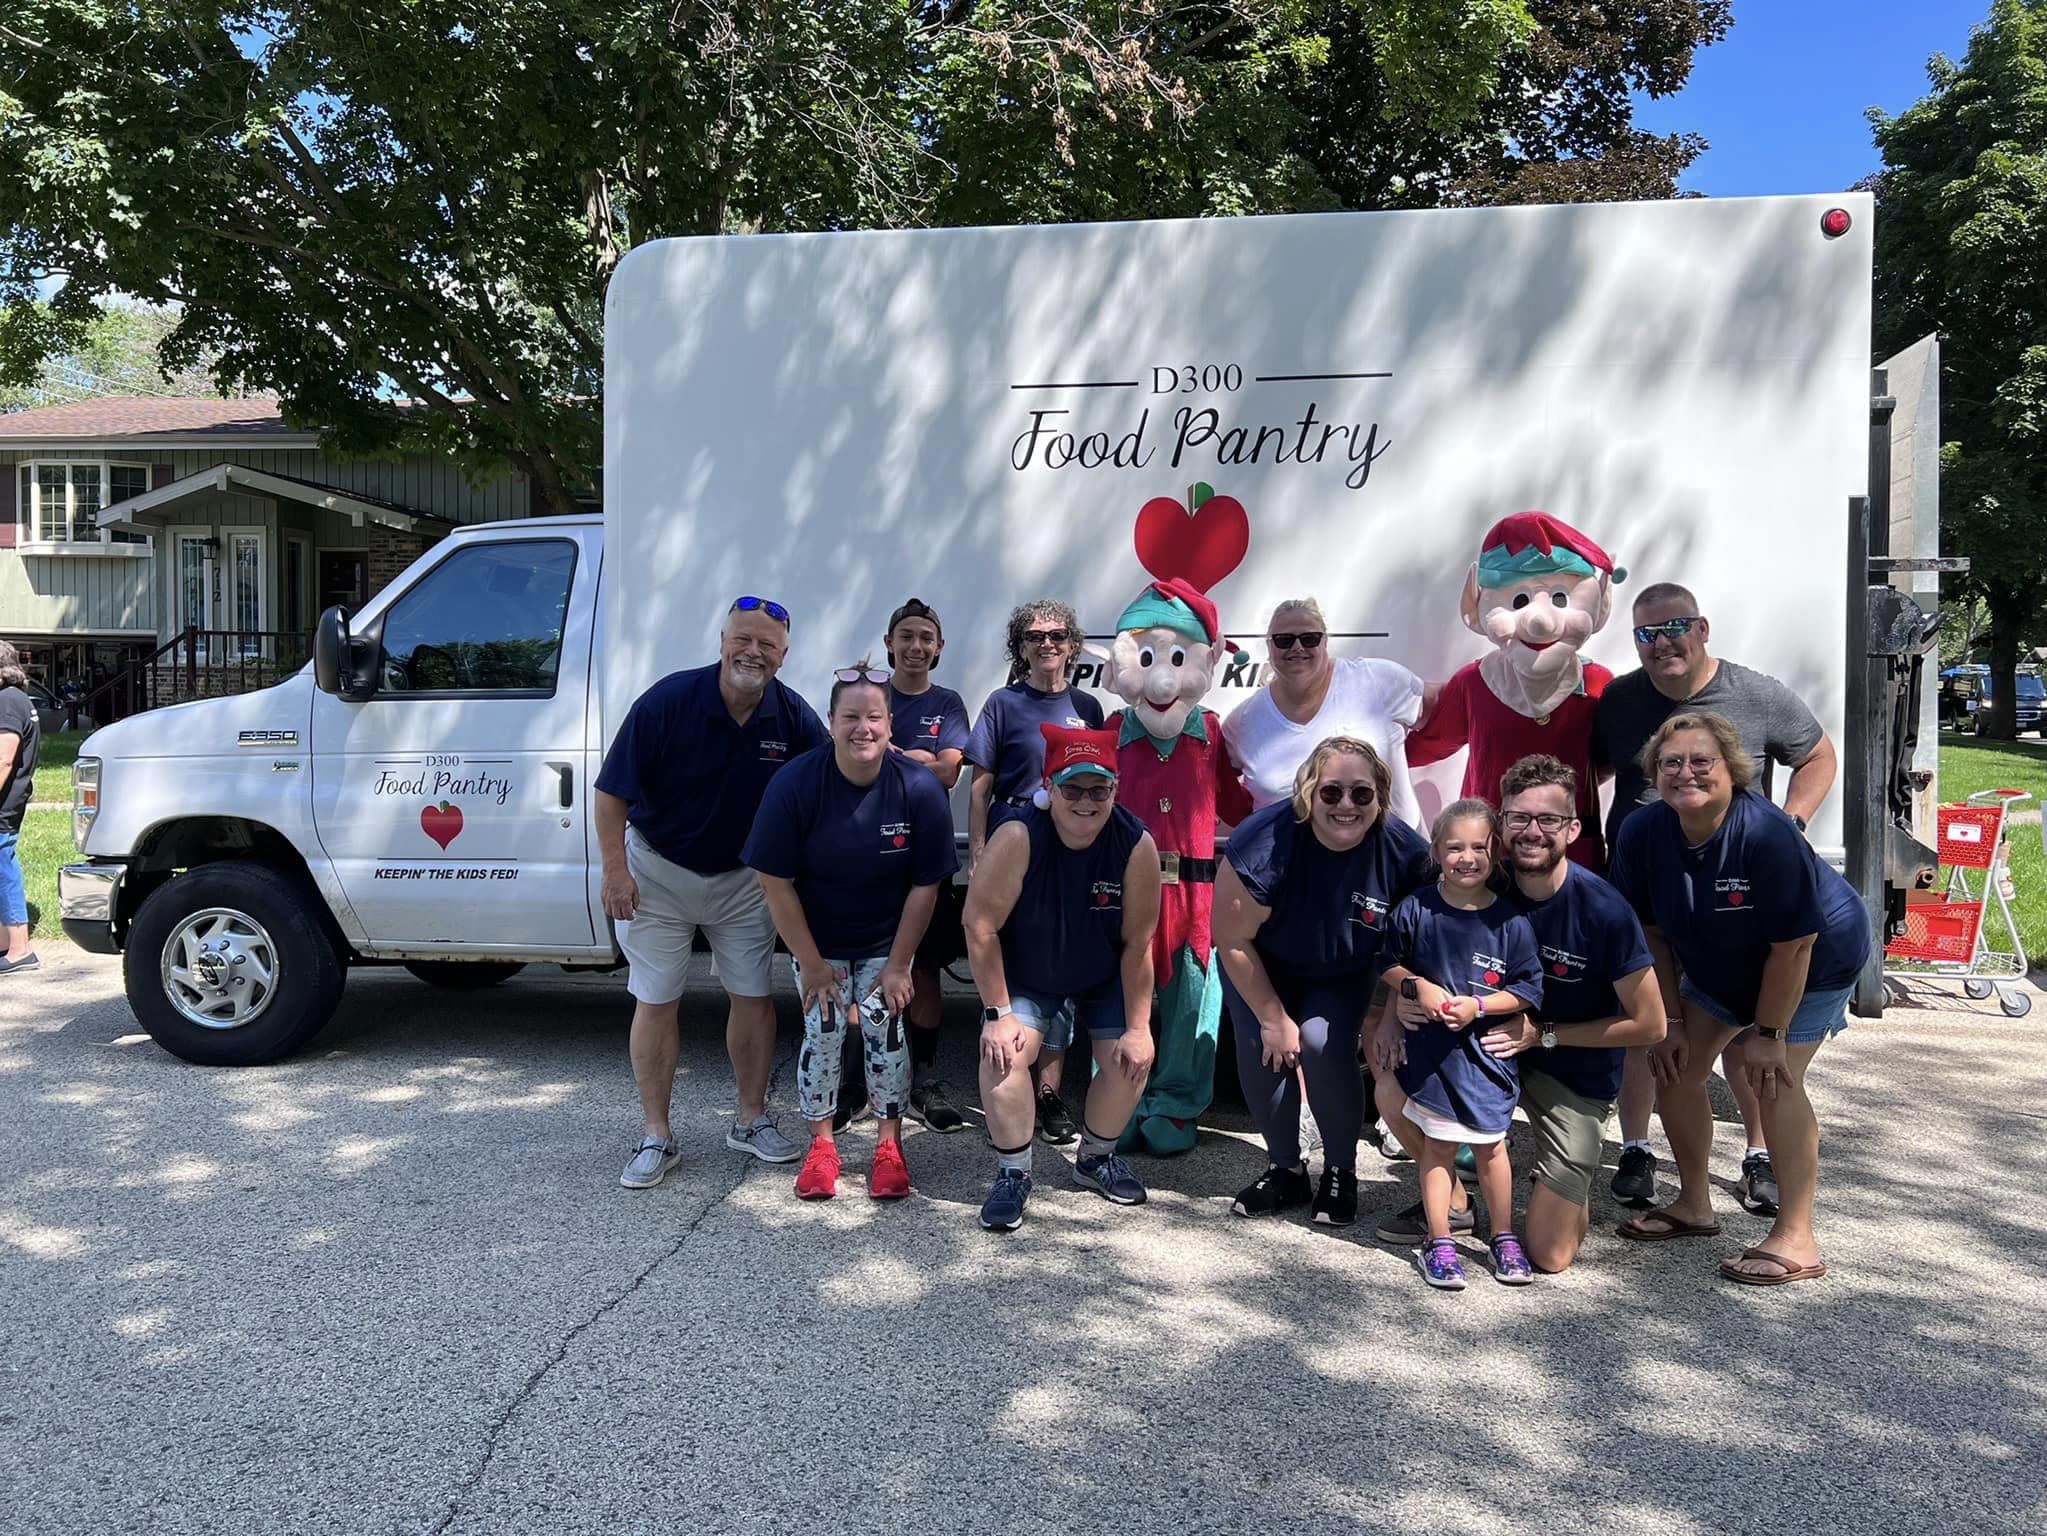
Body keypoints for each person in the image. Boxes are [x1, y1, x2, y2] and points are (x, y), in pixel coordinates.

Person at [1595, 582, 1839, 1215]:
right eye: (1646, 634)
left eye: (1674, 627)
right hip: (1667, 896)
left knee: (1762, 1054)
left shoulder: (1755, 695)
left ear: (1702, 629)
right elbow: (1589, 766)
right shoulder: (1620, 701)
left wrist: (1795, 822)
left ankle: (1764, 1167)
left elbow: (1817, 754)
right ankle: (1644, 1154)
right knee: (1662, 1033)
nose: (1662, 643)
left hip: (1758, 913)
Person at [1374, 756, 1664, 1273]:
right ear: (1501, 826)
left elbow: (1650, 1025)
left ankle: (1559, 1186)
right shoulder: (1478, 880)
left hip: (1569, 1069)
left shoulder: (1603, 910)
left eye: (1548, 820)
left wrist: (1543, 1035)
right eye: (1519, 818)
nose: (1532, 832)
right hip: (1476, 1051)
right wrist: (1401, 1004)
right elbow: (1407, 954)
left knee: (1550, 1255)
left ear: (1573, 829)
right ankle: (1455, 1205)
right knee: (1388, 1081)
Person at [1608, 711, 1869, 1286]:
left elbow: (1795, 948)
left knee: (1769, 1079)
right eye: (1671, 762)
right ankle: (1694, 1206)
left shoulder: (1765, 831)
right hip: (1720, 960)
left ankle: (1797, 1237)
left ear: (1733, 770)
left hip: (1814, 957)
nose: (1686, 773)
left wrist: (1770, 1036)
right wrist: (1670, 1019)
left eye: (1702, 761)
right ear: (1654, 772)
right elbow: (1649, 933)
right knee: (1675, 1066)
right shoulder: (1642, 831)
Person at [597, 595, 827, 1189]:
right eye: (742, 639)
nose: (753, 652)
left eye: (767, 645)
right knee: (656, 999)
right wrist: (615, 871)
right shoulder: (668, 701)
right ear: (722, 641)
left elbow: (832, 782)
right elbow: (612, 792)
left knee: (752, 997)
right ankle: (657, 1136)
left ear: (783, 656)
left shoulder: (793, 716)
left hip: (743, 881)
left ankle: (749, 1122)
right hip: (658, 874)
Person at [744, 662, 958, 1200]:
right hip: (819, 940)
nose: (862, 728)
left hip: (888, 942)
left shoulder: (917, 787)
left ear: (890, 724)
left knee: (886, 1033)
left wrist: (900, 964)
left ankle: (889, 1147)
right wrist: (812, 964)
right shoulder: (796, 782)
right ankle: (822, 1146)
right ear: (833, 721)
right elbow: (774, 881)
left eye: (874, 717)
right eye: (850, 717)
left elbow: (925, 885)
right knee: (824, 1031)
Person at [1213, 737, 1432, 1227]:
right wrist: (1272, 1019)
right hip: (1262, 963)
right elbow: (1231, 940)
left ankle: (1340, 1170)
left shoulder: (1405, 854)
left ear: (1381, 798)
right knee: (1262, 1049)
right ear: (1308, 794)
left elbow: (1417, 948)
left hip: (1345, 970)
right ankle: (1286, 1166)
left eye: (1361, 794)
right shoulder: (1263, 842)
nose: (1346, 806)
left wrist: (1388, 1013)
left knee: (1322, 1043)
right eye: (1331, 793)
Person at [964, 725, 1161, 1232]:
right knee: (1002, 1055)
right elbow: (978, 925)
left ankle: (1095, 1158)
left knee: (1130, 1059)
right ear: (1048, 787)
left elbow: (1139, 944)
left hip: (1102, 974)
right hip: (1030, 973)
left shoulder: (1136, 844)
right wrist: (997, 1014)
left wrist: (1139, 1028)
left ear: (1115, 791)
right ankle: (1013, 1172)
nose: (1086, 801)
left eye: (1100, 789)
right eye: (1072, 787)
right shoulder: (1018, 835)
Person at [1371, 800, 1543, 1290]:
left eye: (1478, 846)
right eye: (1454, 847)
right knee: (1438, 1149)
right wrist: (1415, 987)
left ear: (1496, 851)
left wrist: (1481, 1007)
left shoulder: (1512, 923)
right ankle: (1440, 1240)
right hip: (1432, 1062)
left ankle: (1504, 1235)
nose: (1466, 857)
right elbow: (1387, 961)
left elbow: (1529, 988)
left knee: (1492, 1151)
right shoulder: (1416, 908)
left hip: (1487, 1060)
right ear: (1436, 851)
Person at [965, 598, 1106, 1143]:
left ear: (1072, 644)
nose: (1046, 644)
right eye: (1033, 637)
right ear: (1019, 648)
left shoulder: (1088, 708)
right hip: (1012, 850)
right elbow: (980, 787)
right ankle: (1008, 1083)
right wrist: (977, 851)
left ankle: (1048, 1093)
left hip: (1070, 857)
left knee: (1063, 967)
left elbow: (1096, 790)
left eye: (1056, 636)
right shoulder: (1003, 704)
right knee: (1014, 966)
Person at [873, 597, 973, 1134]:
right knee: (865, 967)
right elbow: (857, 759)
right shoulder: (869, 694)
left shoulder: (949, 703)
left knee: (925, 968)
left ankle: (925, 1079)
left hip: (927, 854)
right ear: (890, 642)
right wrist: (919, 759)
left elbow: (949, 774)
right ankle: (859, 1080)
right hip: (869, 853)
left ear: (939, 647)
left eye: (926, 638)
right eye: (906, 636)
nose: (916, 646)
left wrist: (900, 757)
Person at [1222, 598, 1431, 830]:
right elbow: (1220, 788)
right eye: (1284, 640)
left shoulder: (1378, 680)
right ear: (1270, 645)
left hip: (1395, 857)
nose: (1297, 647)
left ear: (1325, 640)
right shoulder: (1241, 722)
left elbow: (1447, 712)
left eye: (1310, 638)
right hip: (1288, 863)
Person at [0, 642, 41, 975]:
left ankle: (20, 950)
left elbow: (3, 759)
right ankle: (6, 943)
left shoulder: (7, 704)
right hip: (12, 801)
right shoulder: (19, 700)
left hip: (3, 805)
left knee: (4, 869)